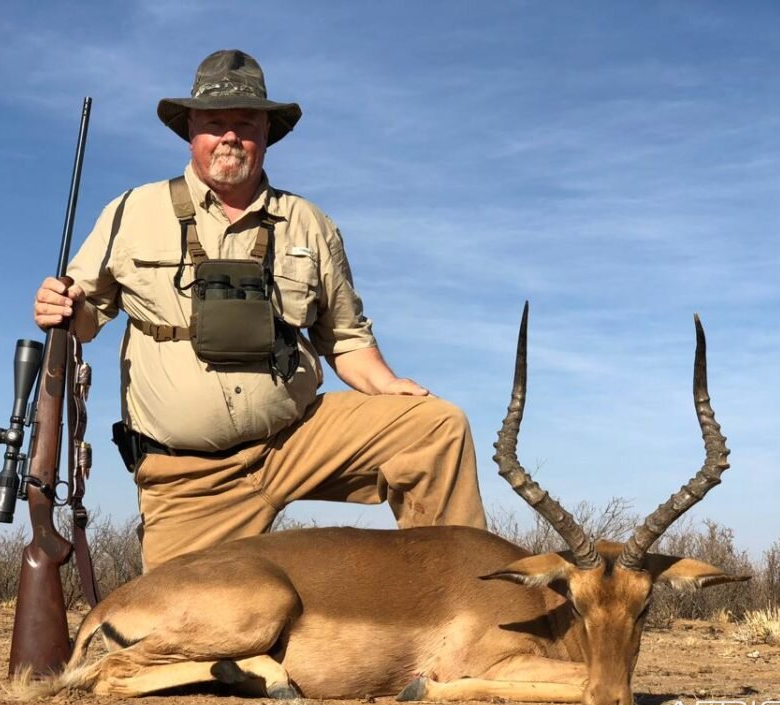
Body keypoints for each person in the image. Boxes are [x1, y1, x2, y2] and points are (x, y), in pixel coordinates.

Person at [34, 49, 486, 570]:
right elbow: (84, 315)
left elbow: (343, 336)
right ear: (191, 132)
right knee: (187, 638)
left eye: (245, 123)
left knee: (435, 427)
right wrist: (60, 306)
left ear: (267, 133)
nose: (230, 136)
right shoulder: (132, 210)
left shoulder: (309, 222)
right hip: (191, 477)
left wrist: (387, 385)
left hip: (294, 440)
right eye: (215, 123)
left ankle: (465, 609)